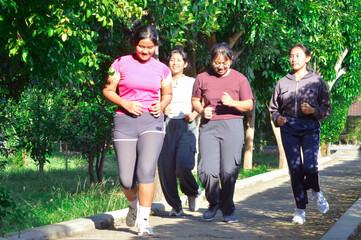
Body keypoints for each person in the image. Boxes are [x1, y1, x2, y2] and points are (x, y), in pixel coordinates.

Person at [102, 25, 172, 236]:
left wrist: (162, 104)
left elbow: (167, 93)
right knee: (125, 179)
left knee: (146, 171)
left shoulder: (162, 69)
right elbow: (107, 90)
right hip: (125, 122)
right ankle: (133, 206)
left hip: (152, 122)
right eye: (142, 46)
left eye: (150, 47)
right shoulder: (119, 63)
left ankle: (144, 221)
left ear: (156, 47)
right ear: (134, 43)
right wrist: (126, 104)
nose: (146, 51)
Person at [191, 43, 253, 223]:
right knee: (207, 171)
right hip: (209, 127)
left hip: (232, 126)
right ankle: (214, 202)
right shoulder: (202, 78)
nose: (220, 66)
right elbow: (195, 100)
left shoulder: (240, 79)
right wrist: (202, 110)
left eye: (224, 63)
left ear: (231, 61)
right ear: (211, 61)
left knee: (228, 171)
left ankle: (227, 209)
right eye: (216, 63)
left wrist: (233, 102)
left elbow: (248, 104)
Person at [269, 44, 331, 225]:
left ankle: (317, 192)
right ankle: (300, 209)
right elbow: (274, 108)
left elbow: (326, 109)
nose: (294, 59)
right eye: (291, 56)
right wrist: (277, 118)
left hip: (310, 126)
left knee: (310, 167)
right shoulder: (282, 82)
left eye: (298, 55)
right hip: (289, 127)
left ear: (307, 58)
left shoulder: (317, 81)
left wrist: (313, 110)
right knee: (295, 170)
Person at [158, 48, 202, 217]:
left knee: (183, 165)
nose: (175, 63)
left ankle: (193, 191)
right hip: (166, 125)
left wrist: (194, 113)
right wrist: (162, 109)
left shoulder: (192, 81)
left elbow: (202, 100)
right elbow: (154, 101)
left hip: (186, 124)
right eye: (172, 59)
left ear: (185, 64)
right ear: (168, 63)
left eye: (178, 60)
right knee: (166, 169)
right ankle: (176, 206)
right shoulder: (161, 81)